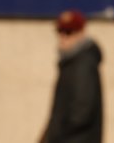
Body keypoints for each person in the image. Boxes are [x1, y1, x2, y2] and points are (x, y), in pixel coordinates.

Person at [39, 9, 104, 143]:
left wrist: (55, 136)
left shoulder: (83, 64)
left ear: (81, 33)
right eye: (60, 32)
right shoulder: (71, 63)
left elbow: (81, 112)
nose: (63, 37)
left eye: (68, 32)